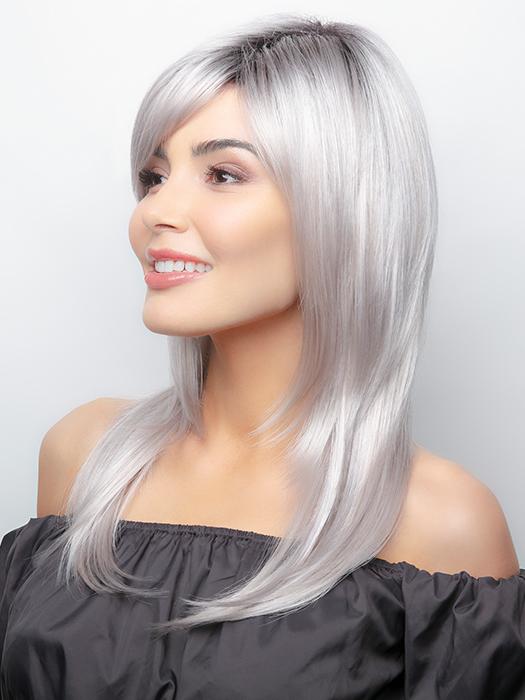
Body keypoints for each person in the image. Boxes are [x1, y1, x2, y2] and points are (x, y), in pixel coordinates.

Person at [1, 13, 524, 700]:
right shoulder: (86, 456)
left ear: (343, 210)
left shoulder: (439, 520)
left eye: (222, 174)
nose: (155, 211)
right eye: (154, 176)